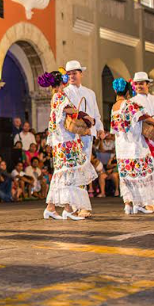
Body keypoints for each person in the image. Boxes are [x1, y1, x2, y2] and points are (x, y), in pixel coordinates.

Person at [39, 70, 93, 221]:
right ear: (62, 81)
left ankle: (53, 208)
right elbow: (69, 110)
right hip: (65, 141)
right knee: (67, 173)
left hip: (64, 140)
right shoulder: (59, 96)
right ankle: (66, 209)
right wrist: (85, 116)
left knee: (64, 173)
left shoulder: (56, 96)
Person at [110, 78, 154, 215]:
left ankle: (128, 204)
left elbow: (114, 130)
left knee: (127, 176)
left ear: (116, 91)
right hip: (135, 145)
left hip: (121, 147)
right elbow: (143, 116)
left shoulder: (114, 107)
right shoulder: (130, 104)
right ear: (128, 91)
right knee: (142, 174)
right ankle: (141, 204)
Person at [64, 60, 104, 214]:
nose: (72, 76)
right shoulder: (65, 92)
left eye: (75, 73)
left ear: (81, 74)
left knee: (83, 168)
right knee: (74, 169)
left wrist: (100, 129)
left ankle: (80, 205)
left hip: (88, 135)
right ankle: (75, 206)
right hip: (72, 136)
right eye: (69, 73)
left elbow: (96, 114)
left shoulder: (90, 93)